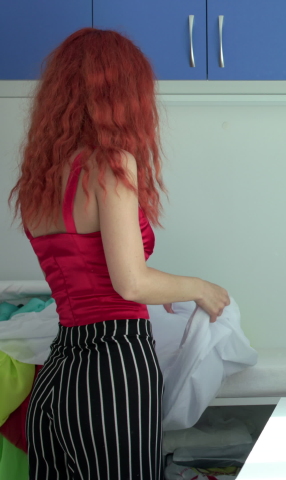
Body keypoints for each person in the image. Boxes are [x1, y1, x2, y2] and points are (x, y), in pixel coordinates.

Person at [7, 28, 230, 480]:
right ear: (123, 93)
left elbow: (84, 268)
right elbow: (130, 282)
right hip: (112, 366)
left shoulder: (41, 181)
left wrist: (163, 286)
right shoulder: (110, 164)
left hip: (58, 371)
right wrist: (199, 288)